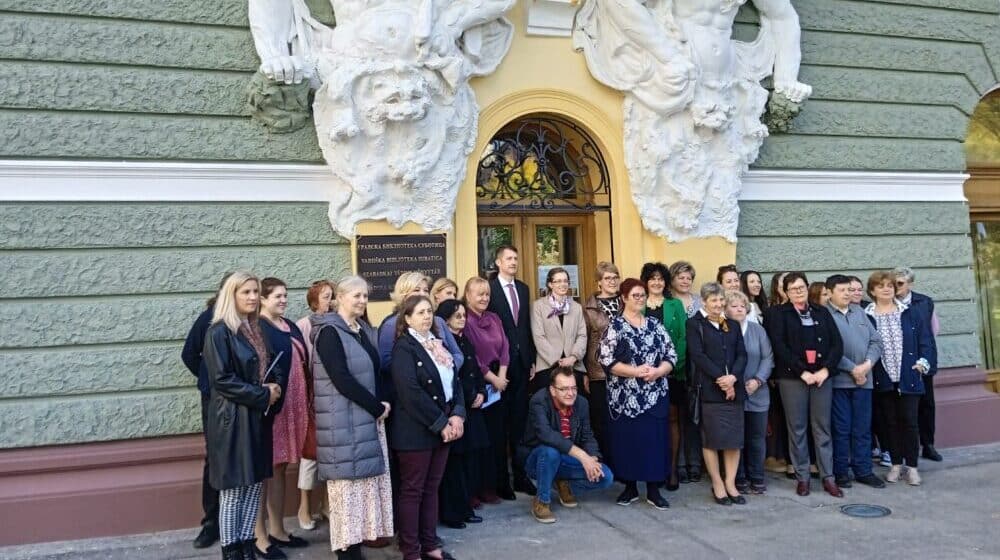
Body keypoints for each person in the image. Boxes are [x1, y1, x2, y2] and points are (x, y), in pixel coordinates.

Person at [311, 275, 394, 559]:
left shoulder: (359, 330)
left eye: (365, 296)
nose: (362, 301)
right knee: (347, 496)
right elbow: (341, 378)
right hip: (343, 425)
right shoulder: (329, 332)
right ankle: (347, 554)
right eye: (356, 295)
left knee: (362, 494)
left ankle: (356, 552)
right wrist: (376, 407)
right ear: (340, 298)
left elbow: (373, 370)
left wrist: (381, 402)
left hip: (363, 421)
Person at [202, 271, 284, 560]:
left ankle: (247, 543)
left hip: (257, 418)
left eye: (254, 292)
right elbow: (222, 380)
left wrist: (274, 384)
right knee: (234, 489)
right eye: (245, 292)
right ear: (231, 295)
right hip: (232, 421)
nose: (252, 297)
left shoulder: (255, 328)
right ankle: (232, 550)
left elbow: (264, 366)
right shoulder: (219, 331)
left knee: (253, 483)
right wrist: (263, 394)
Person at [391, 295, 466, 560]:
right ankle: (411, 551)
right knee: (413, 490)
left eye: (429, 311)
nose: (426, 316)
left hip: (444, 425)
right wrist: (440, 423)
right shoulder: (404, 347)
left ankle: (430, 545)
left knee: (432, 488)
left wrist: (457, 415)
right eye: (420, 312)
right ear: (408, 318)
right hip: (416, 431)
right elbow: (410, 392)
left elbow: (454, 382)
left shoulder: (437, 343)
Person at [599, 278, 677, 510]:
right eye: (635, 295)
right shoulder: (615, 327)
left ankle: (653, 490)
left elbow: (671, 355)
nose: (640, 299)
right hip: (625, 398)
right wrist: (633, 371)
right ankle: (630, 487)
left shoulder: (655, 325)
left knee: (654, 442)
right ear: (623, 298)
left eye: (642, 295)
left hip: (654, 394)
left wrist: (658, 371)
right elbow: (606, 359)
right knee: (628, 442)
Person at [766, 272, 844, 498]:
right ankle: (803, 477)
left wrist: (825, 370)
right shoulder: (778, 314)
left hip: (822, 377)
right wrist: (802, 372)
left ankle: (828, 477)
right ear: (786, 292)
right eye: (793, 289)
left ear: (807, 288)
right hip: (792, 378)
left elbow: (836, 345)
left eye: (801, 287)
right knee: (797, 428)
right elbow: (779, 346)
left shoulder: (822, 312)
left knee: (822, 428)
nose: (798, 292)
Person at [256, 278, 310, 558]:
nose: (283, 300)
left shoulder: (289, 325)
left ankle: (278, 529)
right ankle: (259, 535)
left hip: (295, 403)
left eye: (285, 295)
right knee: (265, 470)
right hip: (273, 406)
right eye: (277, 296)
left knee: (280, 469)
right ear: (263, 299)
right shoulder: (257, 327)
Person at [866, 271, 936, 486]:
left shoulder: (910, 313)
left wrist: (922, 364)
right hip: (883, 377)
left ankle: (912, 467)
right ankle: (896, 464)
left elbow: (926, 341)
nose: (886, 289)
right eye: (880, 286)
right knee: (890, 423)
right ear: (872, 291)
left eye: (889, 285)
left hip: (909, 376)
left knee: (910, 423)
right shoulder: (867, 315)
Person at [520, 366, 615, 524]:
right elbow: (546, 435)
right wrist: (582, 456)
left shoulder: (581, 403)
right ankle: (542, 501)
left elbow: (587, 435)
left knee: (606, 477)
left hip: (565, 458)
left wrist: (592, 458)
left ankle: (563, 484)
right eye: (564, 389)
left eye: (573, 388)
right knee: (551, 452)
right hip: (537, 459)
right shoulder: (539, 401)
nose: (570, 393)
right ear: (552, 390)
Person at [181, 272, 231, 549]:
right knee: (215, 457)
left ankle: (235, 521)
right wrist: (208, 379)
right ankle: (211, 522)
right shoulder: (210, 318)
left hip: (242, 400)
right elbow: (189, 354)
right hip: (214, 400)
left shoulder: (247, 321)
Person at [687, 284, 748, 506]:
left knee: (733, 440)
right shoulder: (695, 324)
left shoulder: (731, 324)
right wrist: (721, 380)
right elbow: (698, 355)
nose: (719, 305)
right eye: (714, 301)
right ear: (703, 302)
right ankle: (717, 483)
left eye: (721, 300)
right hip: (710, 390)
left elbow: (742, 353)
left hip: (734, 389)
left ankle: (730, 483)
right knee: (711, 439)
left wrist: (733, 378)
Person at [825, 275, 886, 489]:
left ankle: (864, 471)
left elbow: (877, 341)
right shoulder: (824, 315)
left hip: (864, 382)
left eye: (849, 290)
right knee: (841, 429)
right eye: (842, 290)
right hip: (840, 383)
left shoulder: (859, 312)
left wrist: (866, 366)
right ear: (830, 292)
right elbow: (829, 350)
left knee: (862, 428)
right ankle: (841, 472)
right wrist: (853, 369)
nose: (847, 294)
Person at [486, 245, 538, 496]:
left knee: (519, 423)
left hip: (521, 364)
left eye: (516, 258)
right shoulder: (490, 290)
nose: (513, 262)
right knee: (499, 425)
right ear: (498, 262)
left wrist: (531, 358)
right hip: (497, 369)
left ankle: (520, 476)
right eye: (508, 258)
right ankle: (500, 481)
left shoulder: (524, 289)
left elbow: (524, 326)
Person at [435, 299, 489, 529]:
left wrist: (481, 392)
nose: (462, 319)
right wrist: (467, 398)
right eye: (457, 316)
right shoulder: (442, 343)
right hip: (458, 407)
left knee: (471, 459)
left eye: (463, 315)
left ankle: (467, 505)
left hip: (474, 407)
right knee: (455, 465)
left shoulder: (464, 340)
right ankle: (454, 511)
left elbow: (475, 370)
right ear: (445, 319)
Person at [462, 276, 512, 503]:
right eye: (479, 294)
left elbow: (505, 348)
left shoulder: (494, 318)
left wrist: (501, 377)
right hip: (479, 385)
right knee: (478, 442)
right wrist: (492, 379)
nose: (484, 298)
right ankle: (475, 489)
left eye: (487, 294)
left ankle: (492, 486)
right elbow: (473, 357)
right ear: (468, 295)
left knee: (496, 439)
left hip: (498, 386)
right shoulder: (466, 321)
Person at [640, 262, 688, 491]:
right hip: (644, 374)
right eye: (652, 279)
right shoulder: (637, 304)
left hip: (672, 374)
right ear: (646, 282)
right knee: (650, 422)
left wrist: (671, 366)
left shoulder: (675, 305)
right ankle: (652, 469)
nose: (657, 282)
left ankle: (672, 470)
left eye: (660, 278)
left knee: (671, 421)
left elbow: (682, 338)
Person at [378, 272, 464, 397]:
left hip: (445, 390)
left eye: (426, 290)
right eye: (417, 290)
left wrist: (446, 368)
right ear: (403, 294)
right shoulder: (391, 325)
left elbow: (457, 353)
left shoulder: (438, 321)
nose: (423, 294)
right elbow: (386, 363)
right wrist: (426, 372)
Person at [294, 280, 335, 531]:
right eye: (326, 297)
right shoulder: (303, 325)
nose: (331, 301)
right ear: (314, 302)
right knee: (310, 455)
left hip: (333, 400)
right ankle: (304, 506)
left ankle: (327, 504)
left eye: (333, 296)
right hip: (312, 399)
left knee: (331, 456)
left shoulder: (339, 323)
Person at [725, 290, 773, 496]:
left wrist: (758, 380)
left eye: (742, 306)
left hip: (757, 392)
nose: (739, 309)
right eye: (734, 306)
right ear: (726, 309)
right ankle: (739, 476)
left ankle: (757, 476)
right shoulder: (723, 329)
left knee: (756, 436)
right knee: (736, 437)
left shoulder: (757, 330)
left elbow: (768, 357)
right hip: (732, 393)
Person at [893, 266, 942, 463]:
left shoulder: (924, 302)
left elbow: (933, 329)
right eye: (894, 282)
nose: (896, 286)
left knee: (927, 403)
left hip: (922, 359)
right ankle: (904, 448)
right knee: (902, 407)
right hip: (899, 361)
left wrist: (925, 357)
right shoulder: (887, 302)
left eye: (900, 283)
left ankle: (928, 444)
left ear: (910, 284)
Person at [582, 262, 621, 464]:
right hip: (599, 371)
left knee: (623, 419)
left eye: (615, 277)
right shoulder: (588, 308)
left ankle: (624, 462)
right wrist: (586, 372)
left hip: (625, 369)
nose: (612, 281)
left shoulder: (627, 301)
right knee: (602, 419)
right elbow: (584, 340)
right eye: (607, 278)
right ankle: (606, 462)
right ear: (599, 282)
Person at [669, 260, 703, 481]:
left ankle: (695, 462)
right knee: (677, 416)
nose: (685, 281)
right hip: (677, 365)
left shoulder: (700, 301)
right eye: (681, 277)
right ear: (672, 279)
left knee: (695, 416)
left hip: (699, 365)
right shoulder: (668, 303)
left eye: (689, 277)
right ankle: (679, 463)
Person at [530, 267, 588, 395]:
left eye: (566, 281)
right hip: (548, 366)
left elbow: (582, 335)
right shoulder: (538, 306)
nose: (563, 284)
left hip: (573, 365)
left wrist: (573, 358)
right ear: (550, 284)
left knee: (575, 408)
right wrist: (558, 360)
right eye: (558, 281)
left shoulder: (576, 307)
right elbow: (538, 336)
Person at [763, 271, 790, 476]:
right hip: (777, 371)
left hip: (799, 373)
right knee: (776, 415)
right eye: (784, 282)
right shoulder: (771, 310)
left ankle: (789, 456)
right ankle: (774, 454)